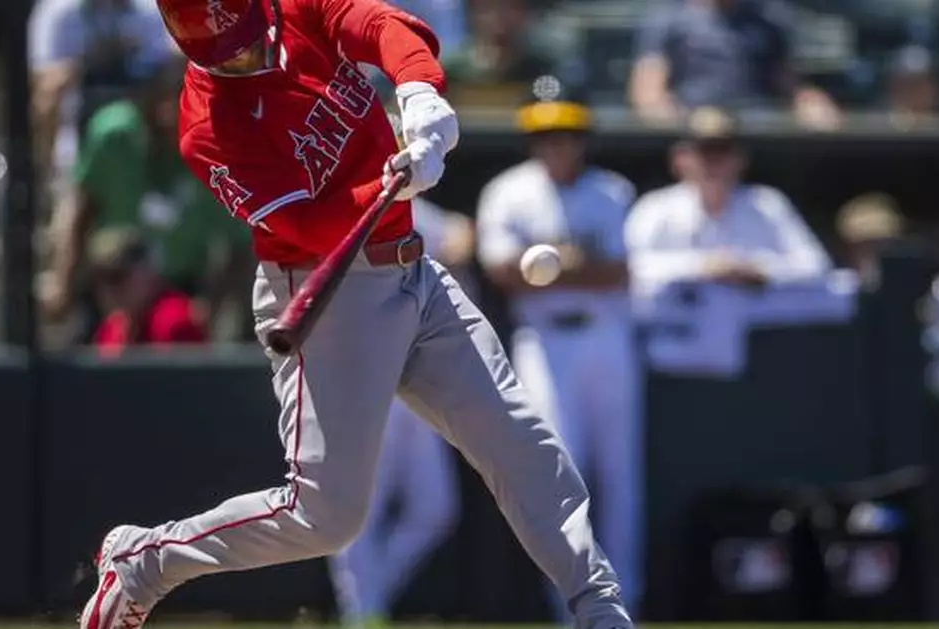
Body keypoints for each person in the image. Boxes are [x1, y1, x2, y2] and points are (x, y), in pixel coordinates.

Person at [78, 3, 634, 629]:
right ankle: (145, 562)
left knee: (520, 443)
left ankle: (600, 609)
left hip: (413, 273)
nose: (249, 55)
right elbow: (305, 223)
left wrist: (419, 90)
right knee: (325, 517)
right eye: (228, 52)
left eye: (249, 38)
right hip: (329, 294)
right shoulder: (206, 124)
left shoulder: (290, 9)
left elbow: (386, 27)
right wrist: (390, 183)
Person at [475, 77, 643, 618]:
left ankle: (628, 601)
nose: (557, 145)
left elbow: (619, 273)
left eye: (567, 133)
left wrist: (554, 265)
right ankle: (570, 603)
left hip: (606, 337)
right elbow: (503, 272)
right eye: (546, 134)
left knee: (620, 473)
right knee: (558, 473)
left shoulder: (611, 190)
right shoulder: (508, 190)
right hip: (544, 342)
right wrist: (573, 266)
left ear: (584, 135)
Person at [328, 197, 472, 627]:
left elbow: (460, 234)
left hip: (413, 378)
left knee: (436, 508)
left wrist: (460, 236)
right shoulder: (343, 208)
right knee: (355, 513)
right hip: (363, 379)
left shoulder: (412, 205)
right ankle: (363, 613)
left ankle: (369, 605)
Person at [44, 58, 251, 344]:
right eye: (168, 105)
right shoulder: (114, 134)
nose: (172, 119)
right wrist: (63, 280)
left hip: (180, 290)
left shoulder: (213, 148)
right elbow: (81, 210)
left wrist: (209, 305)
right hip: (111, 283)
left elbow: (239, 245)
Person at [625, 107, 831, 291]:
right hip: (675, 329)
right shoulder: (656, 207)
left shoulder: (767, 204)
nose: (713, 161)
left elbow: (816, 266)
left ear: (740, 159)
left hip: (754, 329)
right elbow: (627, 267)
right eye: (704, 151)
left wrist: (756, 270)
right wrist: (701, 266)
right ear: (680, 158)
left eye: (722, 150)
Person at [30, 0, 174, 196]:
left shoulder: (149, 10)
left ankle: (167, 181)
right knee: (49, 95)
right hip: (77, 145)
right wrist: (90, 61)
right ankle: (46, 180)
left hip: (137, 135)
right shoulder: (59, 11)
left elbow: (166, 69)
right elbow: (43, 81)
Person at [628, 0, 840, 129]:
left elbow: (786, 79)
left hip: (759, 126)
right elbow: (648, 89)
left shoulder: (767, 19)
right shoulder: (668, 18)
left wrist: (809, 101)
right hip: (696, 128)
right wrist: (663, 115)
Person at [88, 226, 209, 357]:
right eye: (102, 279)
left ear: (146, 270)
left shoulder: (174, 321)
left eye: (117, 276)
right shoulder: (110, 329)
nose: (110, 290)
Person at [440, 0, 555, 107]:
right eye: (487, 8)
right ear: (472, 12)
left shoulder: (542, 70)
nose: (500, 17)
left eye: (511, 7)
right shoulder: (450, 70)